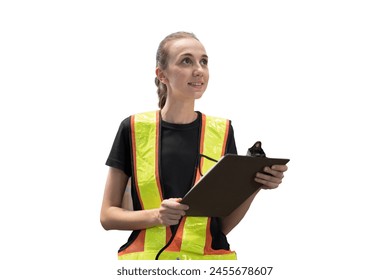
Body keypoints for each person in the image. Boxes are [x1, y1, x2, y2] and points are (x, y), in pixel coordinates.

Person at [100, 31, 288, 260]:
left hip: (209, 264)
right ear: (162, 75)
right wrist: (156, 216)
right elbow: (108, 216)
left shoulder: (222, 131)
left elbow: (220, 226)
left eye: (204, 62)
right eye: (186, 61)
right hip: (149, 264)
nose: (199, 69)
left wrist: (254, 184)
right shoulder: (133, 128)